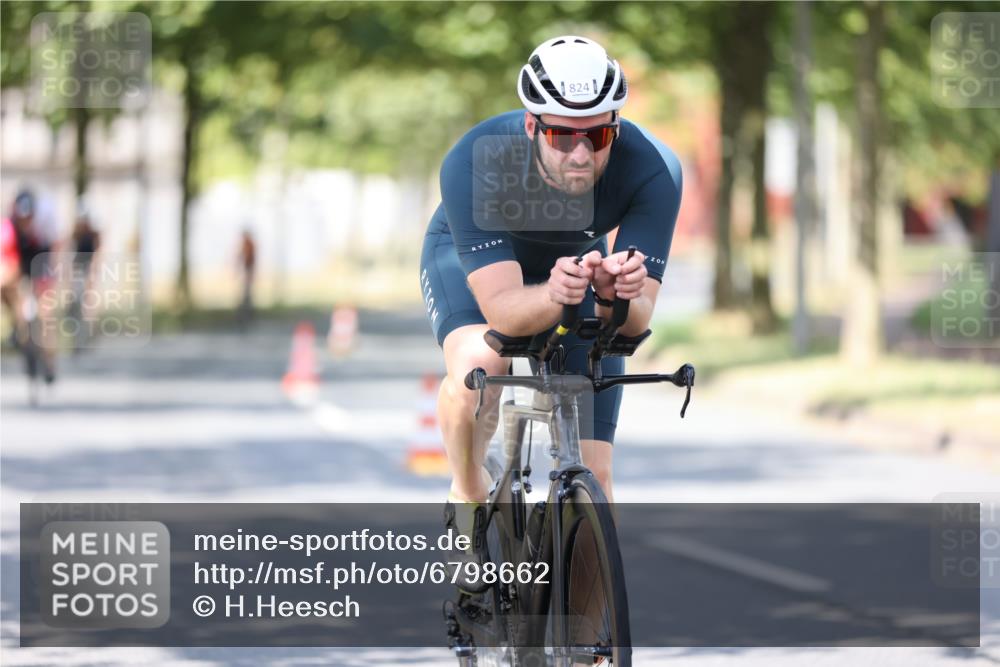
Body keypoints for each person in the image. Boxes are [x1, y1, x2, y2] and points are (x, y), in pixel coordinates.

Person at [419, 35, 683, 591]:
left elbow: (636, 324)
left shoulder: (652, 168)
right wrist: (555, 295)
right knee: (478, 362)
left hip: (577, 269)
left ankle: (589, 648)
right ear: (533, 125)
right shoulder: (476, 159)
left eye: (599, 135)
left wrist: (617, 295)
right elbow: (506, 314)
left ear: (616, 126)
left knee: (598, 480)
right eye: (564, 135)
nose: (582, 154)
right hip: (488, 271)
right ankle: (467, 495)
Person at [236, 228, 256, 329]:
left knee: (247, 295)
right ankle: (246, 316)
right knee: (246, 295)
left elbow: (247, 259)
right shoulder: (247, 244)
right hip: (247, 272)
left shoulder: (249, 244)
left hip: (248, 272)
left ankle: (246, 317)